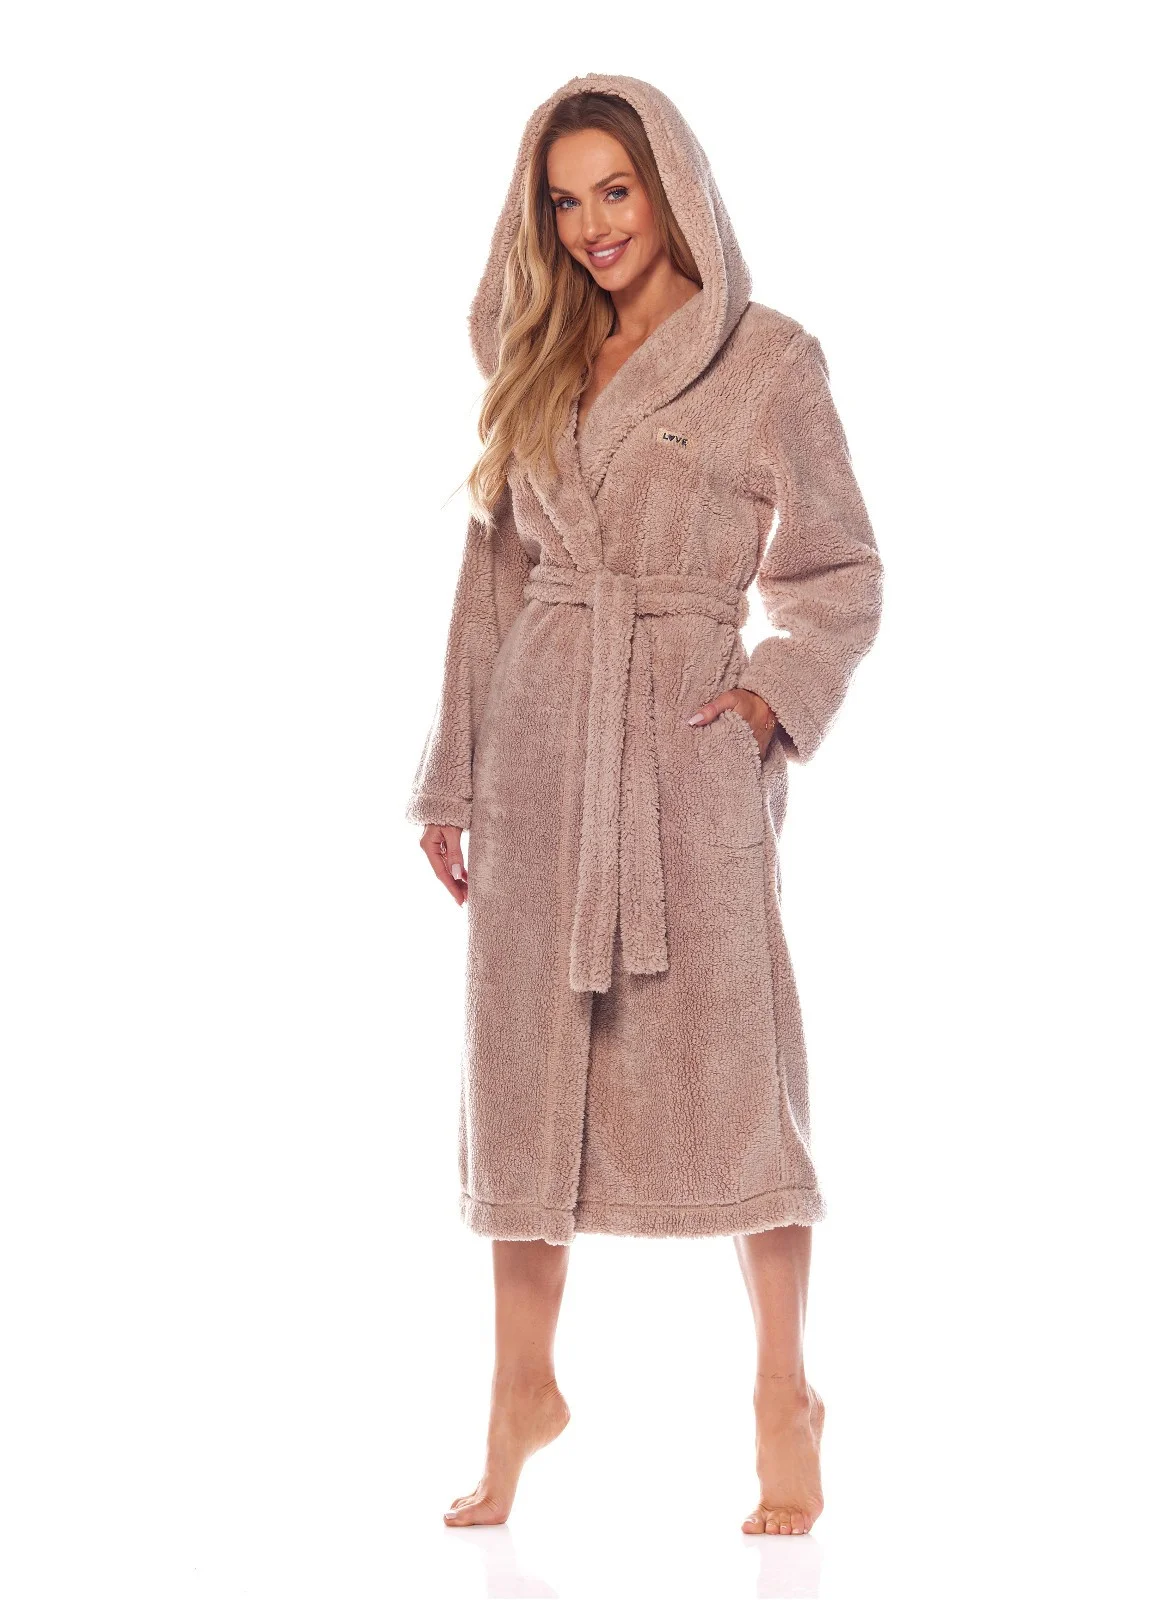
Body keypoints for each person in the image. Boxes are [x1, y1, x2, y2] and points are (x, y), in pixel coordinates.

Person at [405, 72, 884, 1535]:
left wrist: (769, 701)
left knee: (736, 1069)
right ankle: (518, 1390)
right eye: (564, 200)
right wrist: (453, 774)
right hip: (541, 750)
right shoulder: (536, 356)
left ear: (672, 186)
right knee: (521, 1067)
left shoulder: (769, 360)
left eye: (615, 191)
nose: (592, 226)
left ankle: (784, 1392)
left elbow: (838, 570)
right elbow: (493, 578)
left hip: (683, 756)